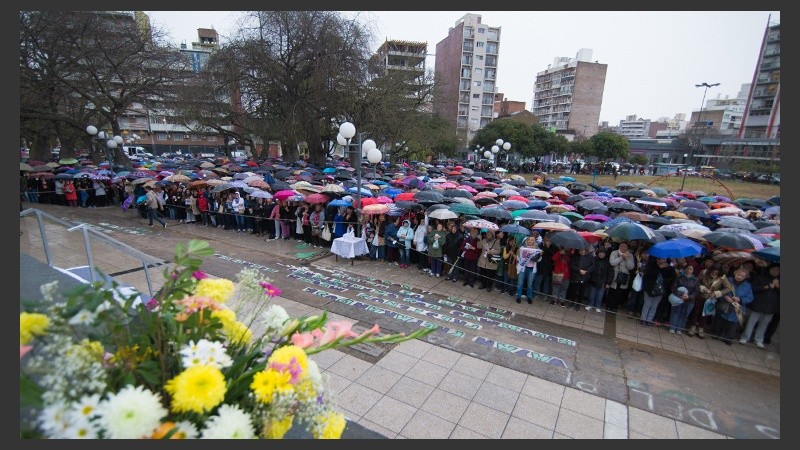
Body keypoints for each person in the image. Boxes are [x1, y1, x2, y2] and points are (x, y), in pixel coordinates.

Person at [740, 263, 779, 348]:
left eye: (777, 270)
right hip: (758, 304)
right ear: (769, 270)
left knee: (764, 324)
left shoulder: (779, 281)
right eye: (774, 269)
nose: (776, 272)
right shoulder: (761, 278)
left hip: (771, 307)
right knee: (751, 321)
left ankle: (758, 339)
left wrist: (777, 286)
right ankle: (745, 337)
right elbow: (753, 288)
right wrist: (768, 286)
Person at [691, 264, 733, 339]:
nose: (714, 273)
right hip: (701, 295)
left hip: (711, 298)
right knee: (696, 311)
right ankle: (693, 326)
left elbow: (728, 288)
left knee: (706, 313)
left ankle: (701, 328)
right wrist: (702, 288)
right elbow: (697, 281)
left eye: (716, 272)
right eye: (713, 271)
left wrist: (717, 293)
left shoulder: (722, 277)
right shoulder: (704, 272)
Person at [713, 268, 753, 345]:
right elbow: (719, 290)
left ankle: (728, 338)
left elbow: (750, 298)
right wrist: (725, 297)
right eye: (739, 275)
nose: (740, 277)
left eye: (742, 276)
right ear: (735, 273)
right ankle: (716, 334)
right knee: (720, 320)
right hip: (725, 304)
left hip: (737, 307)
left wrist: (740, 299)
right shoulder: (727, 280)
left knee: (733, 324)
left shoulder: (747, 286)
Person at [639, 258, 676, 326]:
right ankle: (643, 319)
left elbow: (672, 275)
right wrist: (659, 267)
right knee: (647, 305)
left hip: (660, 290)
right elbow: (649, 274)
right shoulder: (651, 265)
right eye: (662, 259)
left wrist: (672, 266)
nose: (664, 261)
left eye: (665, 259)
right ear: (657, 259)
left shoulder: (667, 268)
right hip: (649, 288)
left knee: (654, 306)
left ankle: (649, 320)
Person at [668, 264, 700, 334]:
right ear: (685, 269)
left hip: (689, 299)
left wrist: (689, 296)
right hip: (678, 297)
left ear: (693, 270)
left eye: (691, 269)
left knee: (684, 314)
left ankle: (679, 328)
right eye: (688, 268)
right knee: (675, 312)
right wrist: (681, 294)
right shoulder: (679, 277)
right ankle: (672, 327)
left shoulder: (695, 279)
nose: (689, 270)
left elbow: (697, 291)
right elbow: (673, 287)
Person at [607, 242, 636, 312]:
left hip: (624, 277)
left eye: (625, 247)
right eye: (621, 246)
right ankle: (609, 306)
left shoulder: (630, 255)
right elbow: (612, 262)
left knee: (620, 292)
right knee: (612, 291)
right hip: (614, 275)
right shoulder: (614, 253)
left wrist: (626, 259)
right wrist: (621, 257)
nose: (623, 248)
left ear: (627, 248)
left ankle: (615, 307)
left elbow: (631, 267)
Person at [515, 236, 542, 304]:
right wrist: (518, 253)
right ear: (526, 240)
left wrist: (539, 255)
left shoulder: (537, 249)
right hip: (522, 268)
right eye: (529, 240)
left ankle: (529, 297)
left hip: (531, 268)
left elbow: (539, 260)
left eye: (532, 240)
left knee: (530, 284)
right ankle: (518, 296)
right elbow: (518, 258)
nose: (530, 241)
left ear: (534, 241)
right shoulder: (522, 248)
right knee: (520, 283)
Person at [587, 247, 614, 312]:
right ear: (598, 253)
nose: (601, 254)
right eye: (600, 253)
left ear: (605, 254)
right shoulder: (594, 259)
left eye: (603, 253)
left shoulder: (608, 262)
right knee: (592, 293)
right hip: (593, 279)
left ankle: (597, 306)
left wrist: (608, 282)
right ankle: (590, 305)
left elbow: (610, 273)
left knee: (600, 295)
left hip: (603, 281)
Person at [533, 234, 556, 300]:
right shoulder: (540, 245)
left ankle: (545, 295)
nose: (548, 242)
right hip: (541, 266)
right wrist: (545, 248)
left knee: (546, 282)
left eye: (550, 241)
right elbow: (538, 254)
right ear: (544, 240)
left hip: (549, 267)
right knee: (538, 281)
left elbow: (552, 254)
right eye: (547, 240)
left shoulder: (553, 247)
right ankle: (536, 294)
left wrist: (548, 247)